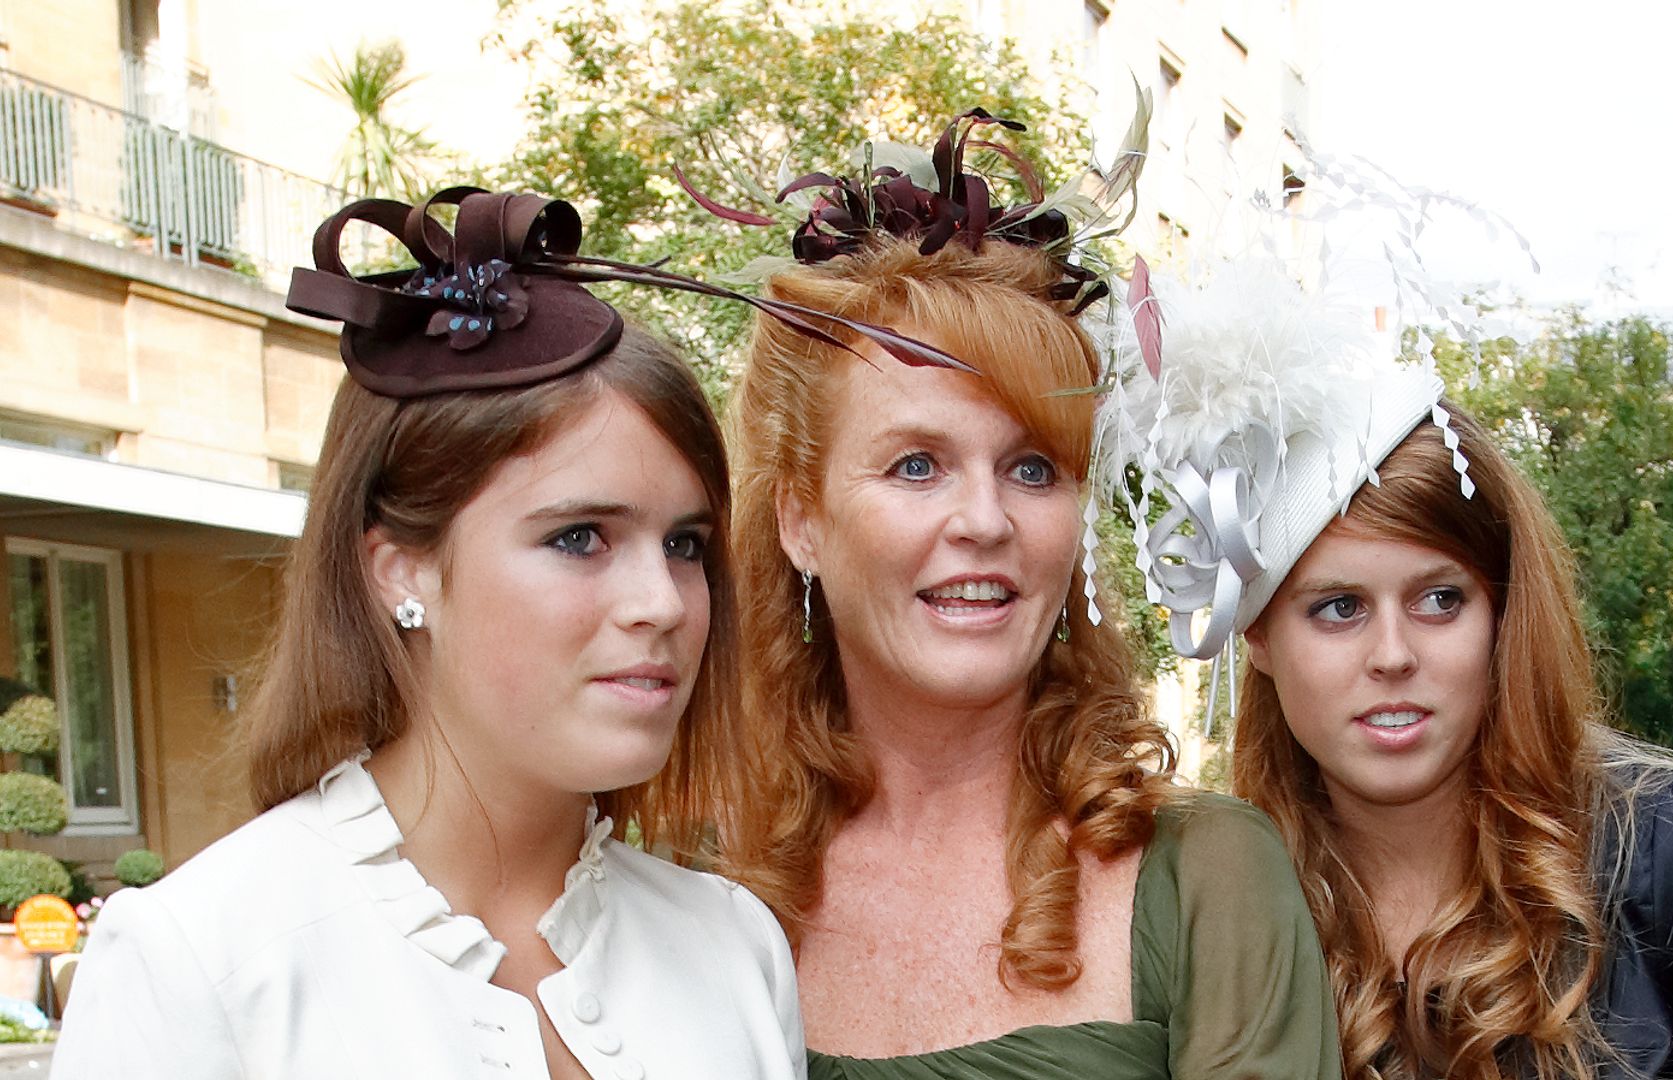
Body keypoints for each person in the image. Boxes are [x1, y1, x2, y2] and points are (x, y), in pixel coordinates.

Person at [54, 189, 806, 1080]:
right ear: (399, 569)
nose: (665, 602)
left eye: (685, 544)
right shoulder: (199, 962)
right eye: (579, 537)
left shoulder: (733, 944)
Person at [1102, 249, 1673, 1079]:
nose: (1393, 655)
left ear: (1502, 613)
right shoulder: (1208, 900)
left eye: (1439, 600)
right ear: (1258, 637)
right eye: (1338, 608)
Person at [700, 111, 1340, 1078]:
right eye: (918, 466)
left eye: (1035, 469)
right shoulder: (690, 880)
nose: (986, 521)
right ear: (801, 520)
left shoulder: (1208, 877)